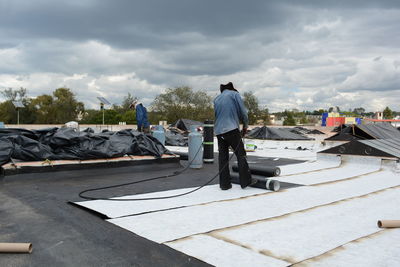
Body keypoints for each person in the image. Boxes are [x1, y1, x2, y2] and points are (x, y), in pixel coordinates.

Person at [214, 82, 255, 190]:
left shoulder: (217, 99)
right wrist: (245, 126)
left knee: (223, 158)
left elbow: (217, 115)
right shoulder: (234, 94)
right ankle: (246, 182)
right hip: (231, 129)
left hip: (219, 131)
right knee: (241, 154)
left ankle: (224, 185)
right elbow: (243, 112)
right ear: (232, 88)